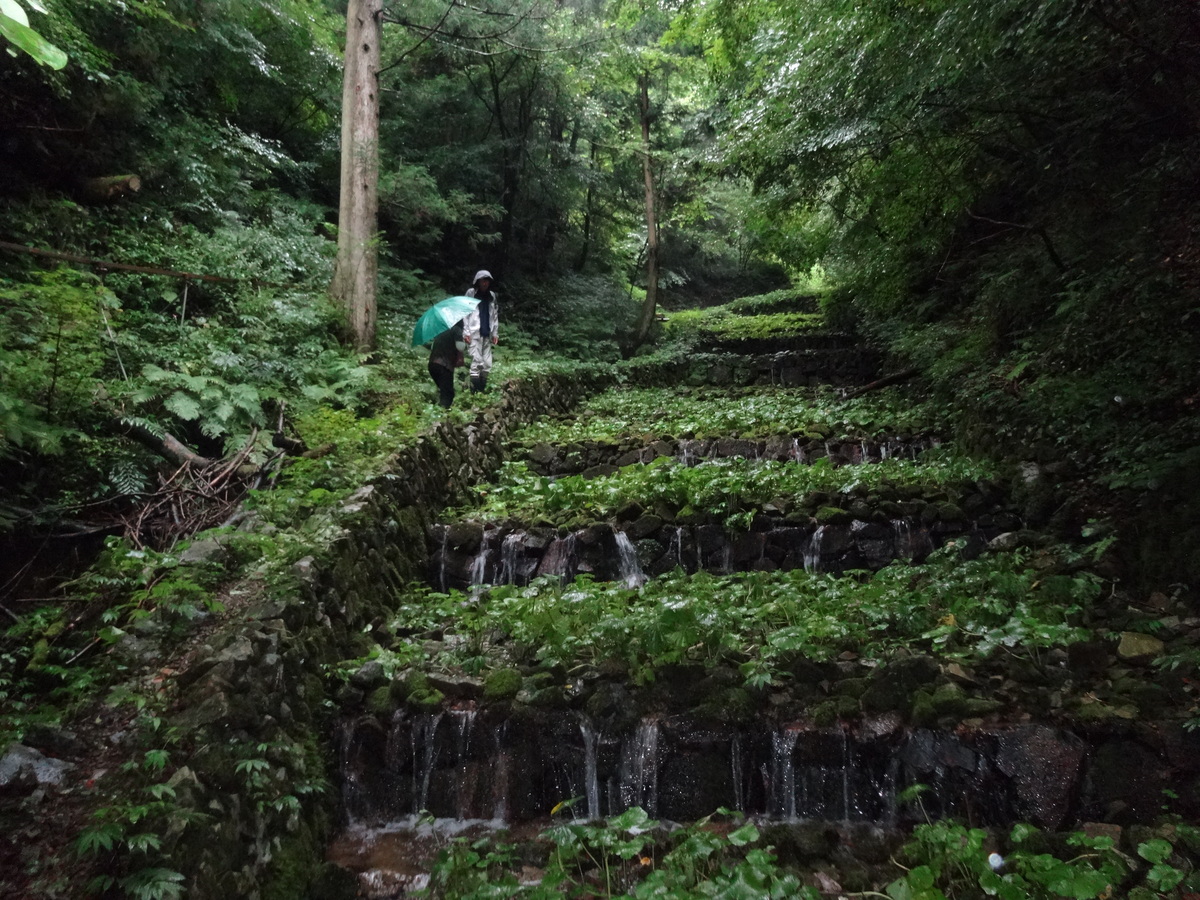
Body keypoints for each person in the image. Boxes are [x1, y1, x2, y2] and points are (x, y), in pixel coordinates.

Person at [462, 269, 499, 393]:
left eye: (487, 281)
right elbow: (465, 313)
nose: (485, 283)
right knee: (476, 362)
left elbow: (494, 315)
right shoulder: (471, 293)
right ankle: (475, 393)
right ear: (478, 281)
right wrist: (466, 332)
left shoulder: (491, 296)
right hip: (473, 332)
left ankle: (482, 390)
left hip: (486, 332)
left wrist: (495, 333)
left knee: (487, 364)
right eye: (483, 280)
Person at [428, 320, 464, 408]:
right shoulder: (456, 330)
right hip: (444, 366)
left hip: (432, 365)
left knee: (445, 390)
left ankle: (439, 412)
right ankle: (442, 416)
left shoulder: (441, 330)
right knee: (447, 394)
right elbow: (460, 347)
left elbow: (432, 346)